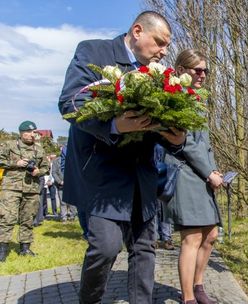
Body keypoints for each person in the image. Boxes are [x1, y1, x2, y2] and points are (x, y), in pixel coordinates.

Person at [58, 11, 186, 303]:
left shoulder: (160, 74)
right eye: (160, 42)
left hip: (143, 177)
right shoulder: (93, 52)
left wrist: (178, 140)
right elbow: (70, 103)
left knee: (144, 249)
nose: (164, 51)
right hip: (103, 177)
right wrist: (115, 125)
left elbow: (169, 118)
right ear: (138, 31)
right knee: (105, 247)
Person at [164, 49, 223, 304]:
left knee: (210, 235)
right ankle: (188, 298)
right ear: (180, 69)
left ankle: (198, 286)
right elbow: (185, 141)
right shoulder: (175, 96)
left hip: (202, 174)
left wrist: (214, 169)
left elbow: (204, 143)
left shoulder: (197, 98)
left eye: (205, 71)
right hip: (184, 173)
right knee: (192, 237)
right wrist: (209, 172)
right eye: (196, 70)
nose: (202, 75)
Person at [0, 120, 48, 261]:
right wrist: (16, 163)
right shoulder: (8, 145)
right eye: (30, 132)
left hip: (31, 189)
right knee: (7, 218)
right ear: (22, 133)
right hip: (11, 188)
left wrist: (39, 171)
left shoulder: (39, 149)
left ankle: (25, 248)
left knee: (28, 219)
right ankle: (2, 250)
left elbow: (46, 167)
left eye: (34, 132)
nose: (33, 135)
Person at [51, 155, 77, 222]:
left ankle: (72, 216)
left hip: (71, 184)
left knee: (72, 201)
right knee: (63, 202)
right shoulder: (56, 160)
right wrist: (60, 181)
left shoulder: (73, 158)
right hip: (61, 185)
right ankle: (63, 218)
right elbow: (54, 172)